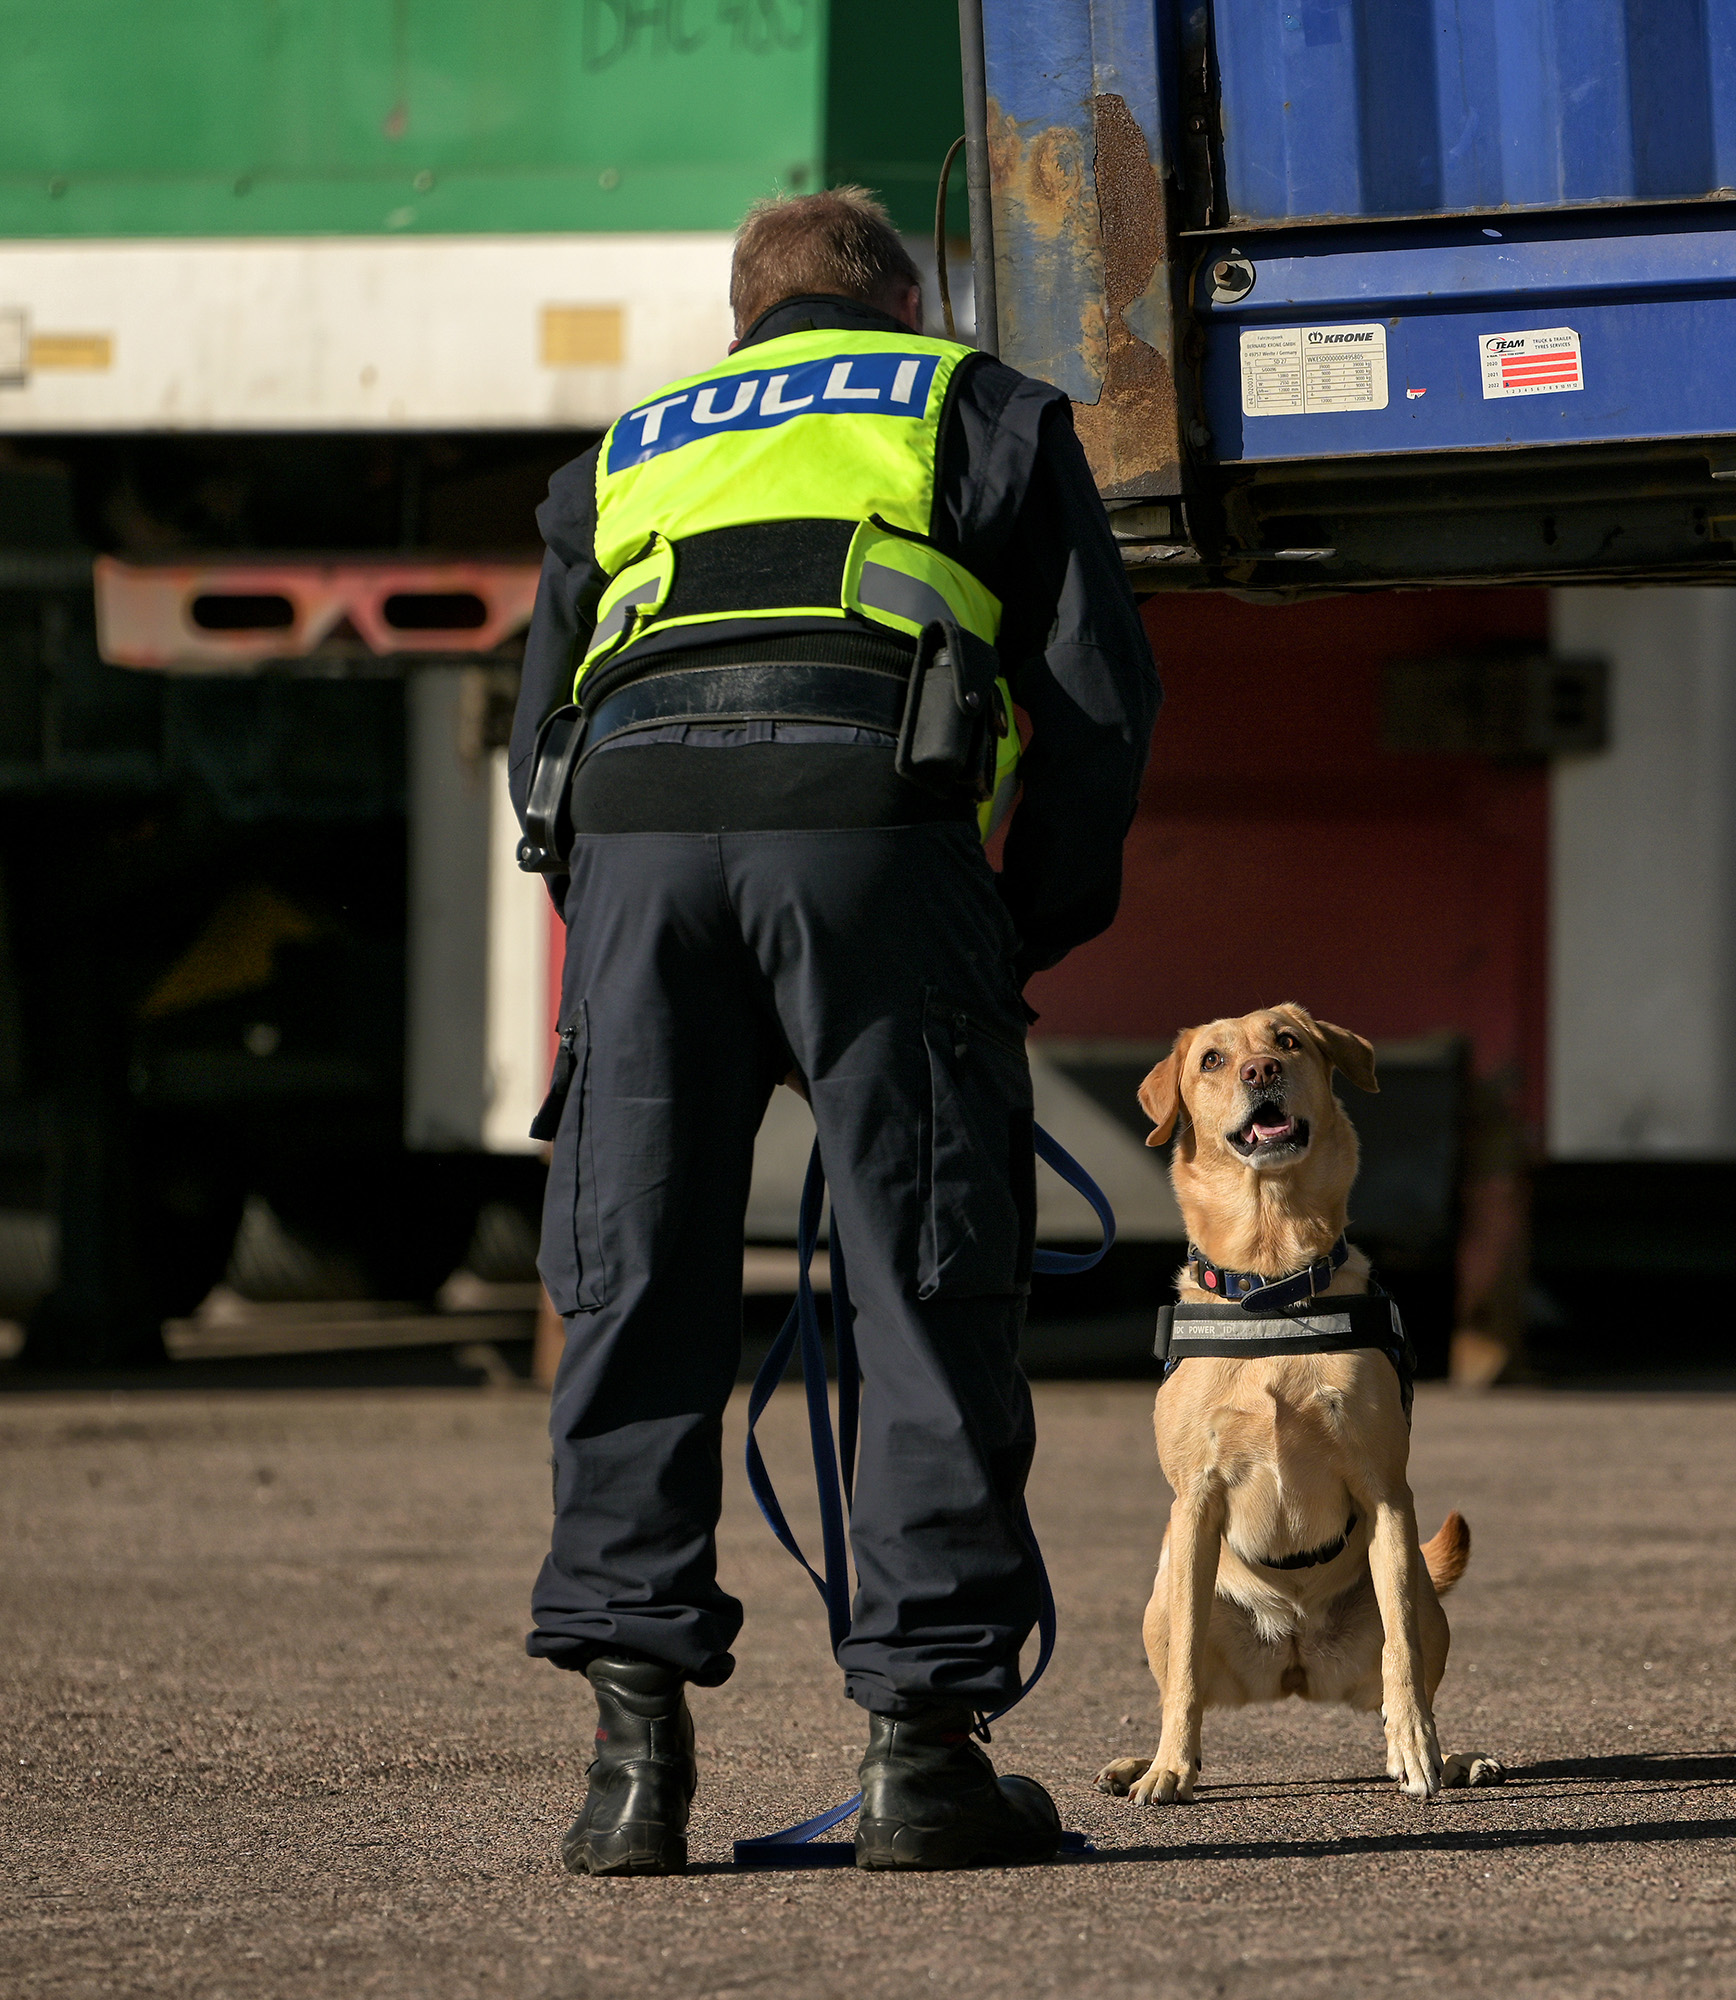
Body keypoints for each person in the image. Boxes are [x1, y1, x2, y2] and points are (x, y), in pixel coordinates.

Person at [505, 187, 1159, 1875]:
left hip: (640, 856)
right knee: (923, 1278)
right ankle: (924, 1762)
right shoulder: (978, 404)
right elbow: (1097, 695)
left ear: (745, 325)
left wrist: (624, 911)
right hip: (872, 836)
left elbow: (539, 739)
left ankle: (630, 1776)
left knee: (634, 1275)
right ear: (906, 301)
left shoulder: (628, 451)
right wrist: (1019, 931)